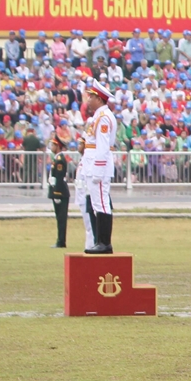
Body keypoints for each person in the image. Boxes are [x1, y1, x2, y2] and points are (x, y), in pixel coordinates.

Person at [78, 82, 117, 254]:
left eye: (92, 97)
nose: (89, 99)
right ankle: (100, 241)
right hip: (92, 164)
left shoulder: (104, 118)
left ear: (99, 99)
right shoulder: (98, 116)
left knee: (101, 203)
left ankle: (104, 242)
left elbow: (102, 146)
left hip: (98, 166)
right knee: (97, 204)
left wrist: (98, 170)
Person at [47, 137, 71, 248]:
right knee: (59, 218)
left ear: (57, 147)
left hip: (60, 192)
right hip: (57, 191)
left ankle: (61, 241)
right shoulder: (57, 158)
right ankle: (60, 240)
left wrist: (56, 193)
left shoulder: (60, 159)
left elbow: (60, 178)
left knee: (61, 218)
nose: (51, 147)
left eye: (53, 145)